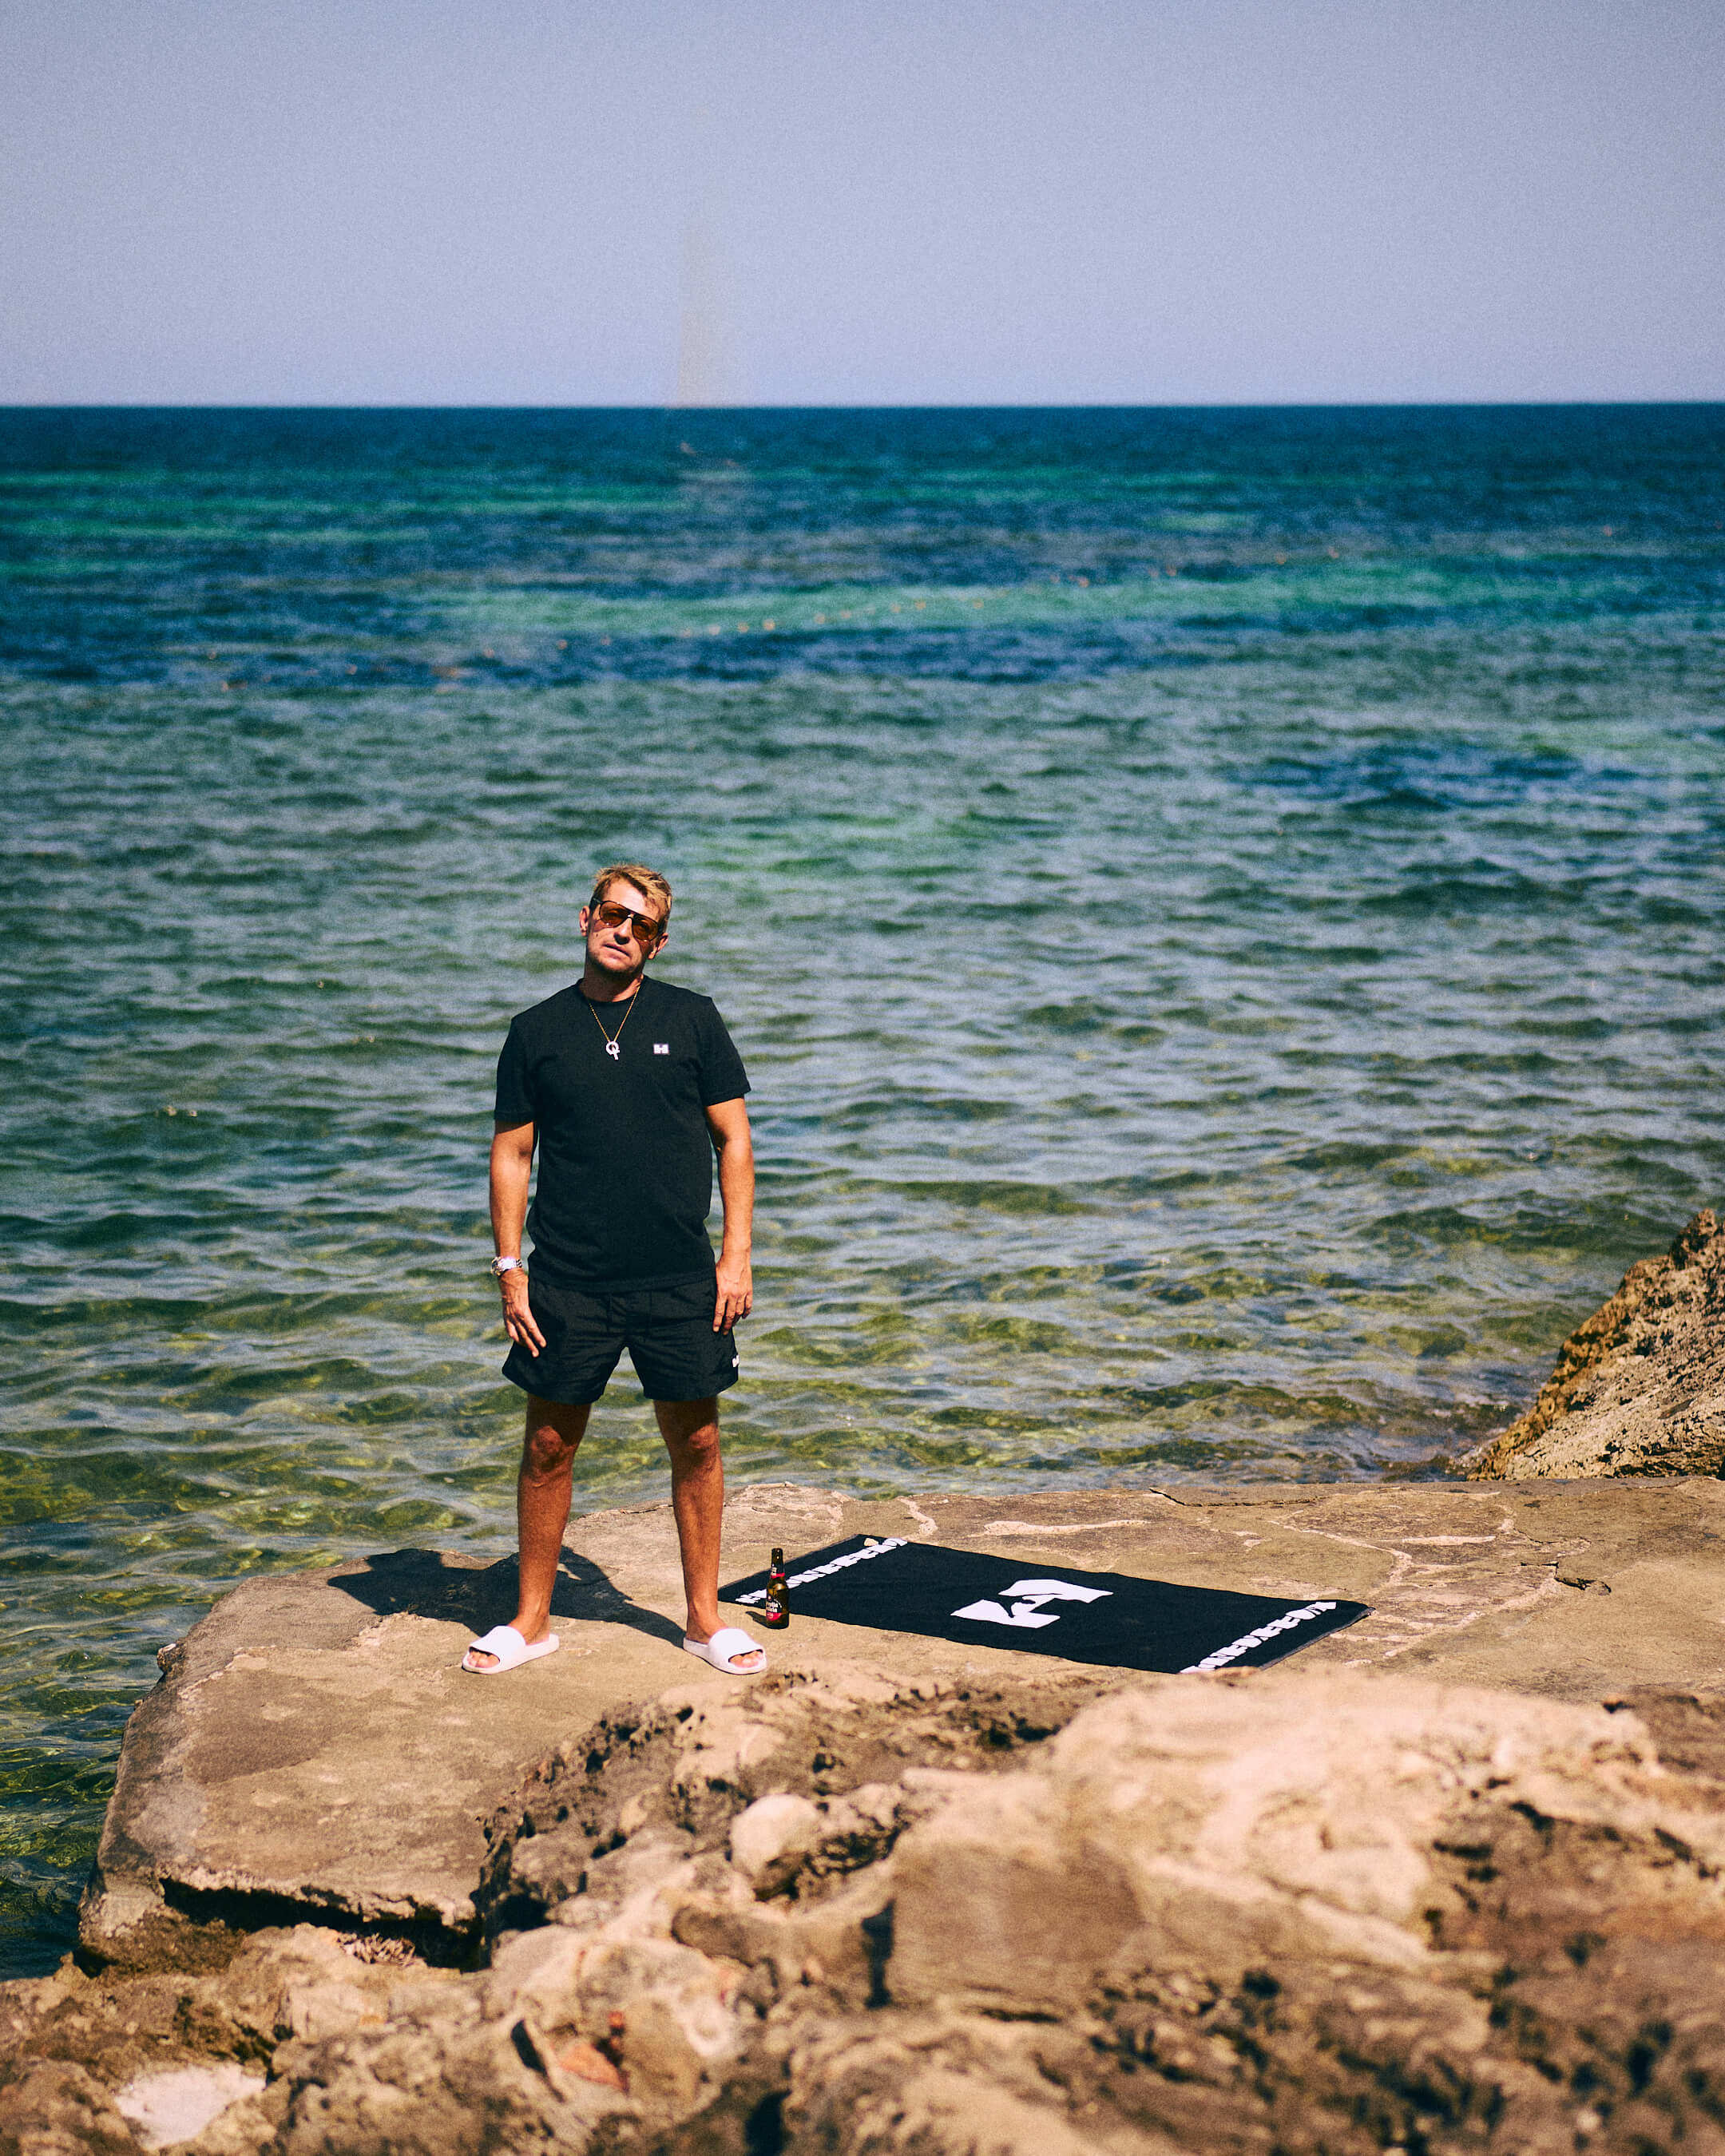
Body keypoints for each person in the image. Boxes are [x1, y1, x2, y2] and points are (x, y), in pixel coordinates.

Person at [463, 862, 765, 1678]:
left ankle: (704, 1620)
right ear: (585, 917)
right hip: (568, 1278)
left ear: (657, 943)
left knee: (697, 1439)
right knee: (548, 1446)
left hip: (679, 1277)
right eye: (612, 913)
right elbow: (512, 1152)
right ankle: (531, 1621)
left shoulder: (692, 1019)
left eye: (642, 924)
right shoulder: (536, 1031)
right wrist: (509, 1268)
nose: (623, 930)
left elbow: (734, 1139)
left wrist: (735, 1256)